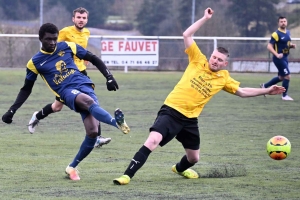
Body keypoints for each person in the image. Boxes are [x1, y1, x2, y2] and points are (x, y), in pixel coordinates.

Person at [113, 8, 285, 185]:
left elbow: (241, 92)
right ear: (210, 56)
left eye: (219, 60)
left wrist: (266, 90)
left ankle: (179, 169)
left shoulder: (223, 78)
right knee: (153, 140)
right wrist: (205, 18)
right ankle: (126, 176)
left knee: (194, 158)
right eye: (214, 57)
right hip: (171, 111)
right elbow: (187, 34)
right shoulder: (197, 59)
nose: (215, 61)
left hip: (190, 120)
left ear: (225, 64)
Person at [2, 23, 130, 181]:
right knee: (87, 102)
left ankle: (72, 167)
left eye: (55, 39)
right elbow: (26, 89)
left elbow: (93, 58)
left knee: (92, 132)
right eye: (48, 39)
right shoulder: (34, 63)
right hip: (66, 92)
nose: (52, 43)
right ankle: (116, 123)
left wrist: (109, 77)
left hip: (85, 84)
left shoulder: (67, 46)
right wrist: (12, 110)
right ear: (40, 38)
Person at [29, 7, 108, 147]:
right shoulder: (65, 32)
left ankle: (97, 137)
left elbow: (82, 51)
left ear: (87, 20)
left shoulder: (87, 32)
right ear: (73, 19)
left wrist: (85, 60)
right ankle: (37, 116)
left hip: (80, 73)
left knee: (91, 100)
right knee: (57, 107)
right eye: (78, 17)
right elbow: (53, 48)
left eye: (83, 18)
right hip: (65, 77)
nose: (81, 20)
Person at [260, 16, 296, 101]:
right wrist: (276, 54)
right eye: (281, 21)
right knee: (287, 76)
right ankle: (284, 95)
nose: (283, 23)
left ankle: (264, 86)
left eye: (284, 21)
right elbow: (269, 46)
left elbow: (285, 44)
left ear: (286, 22)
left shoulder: (288, 32)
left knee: (281, 77)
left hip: (285, 57)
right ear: (278, 23)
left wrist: (291, 46)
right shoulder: (276, 34)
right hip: (279, 59)